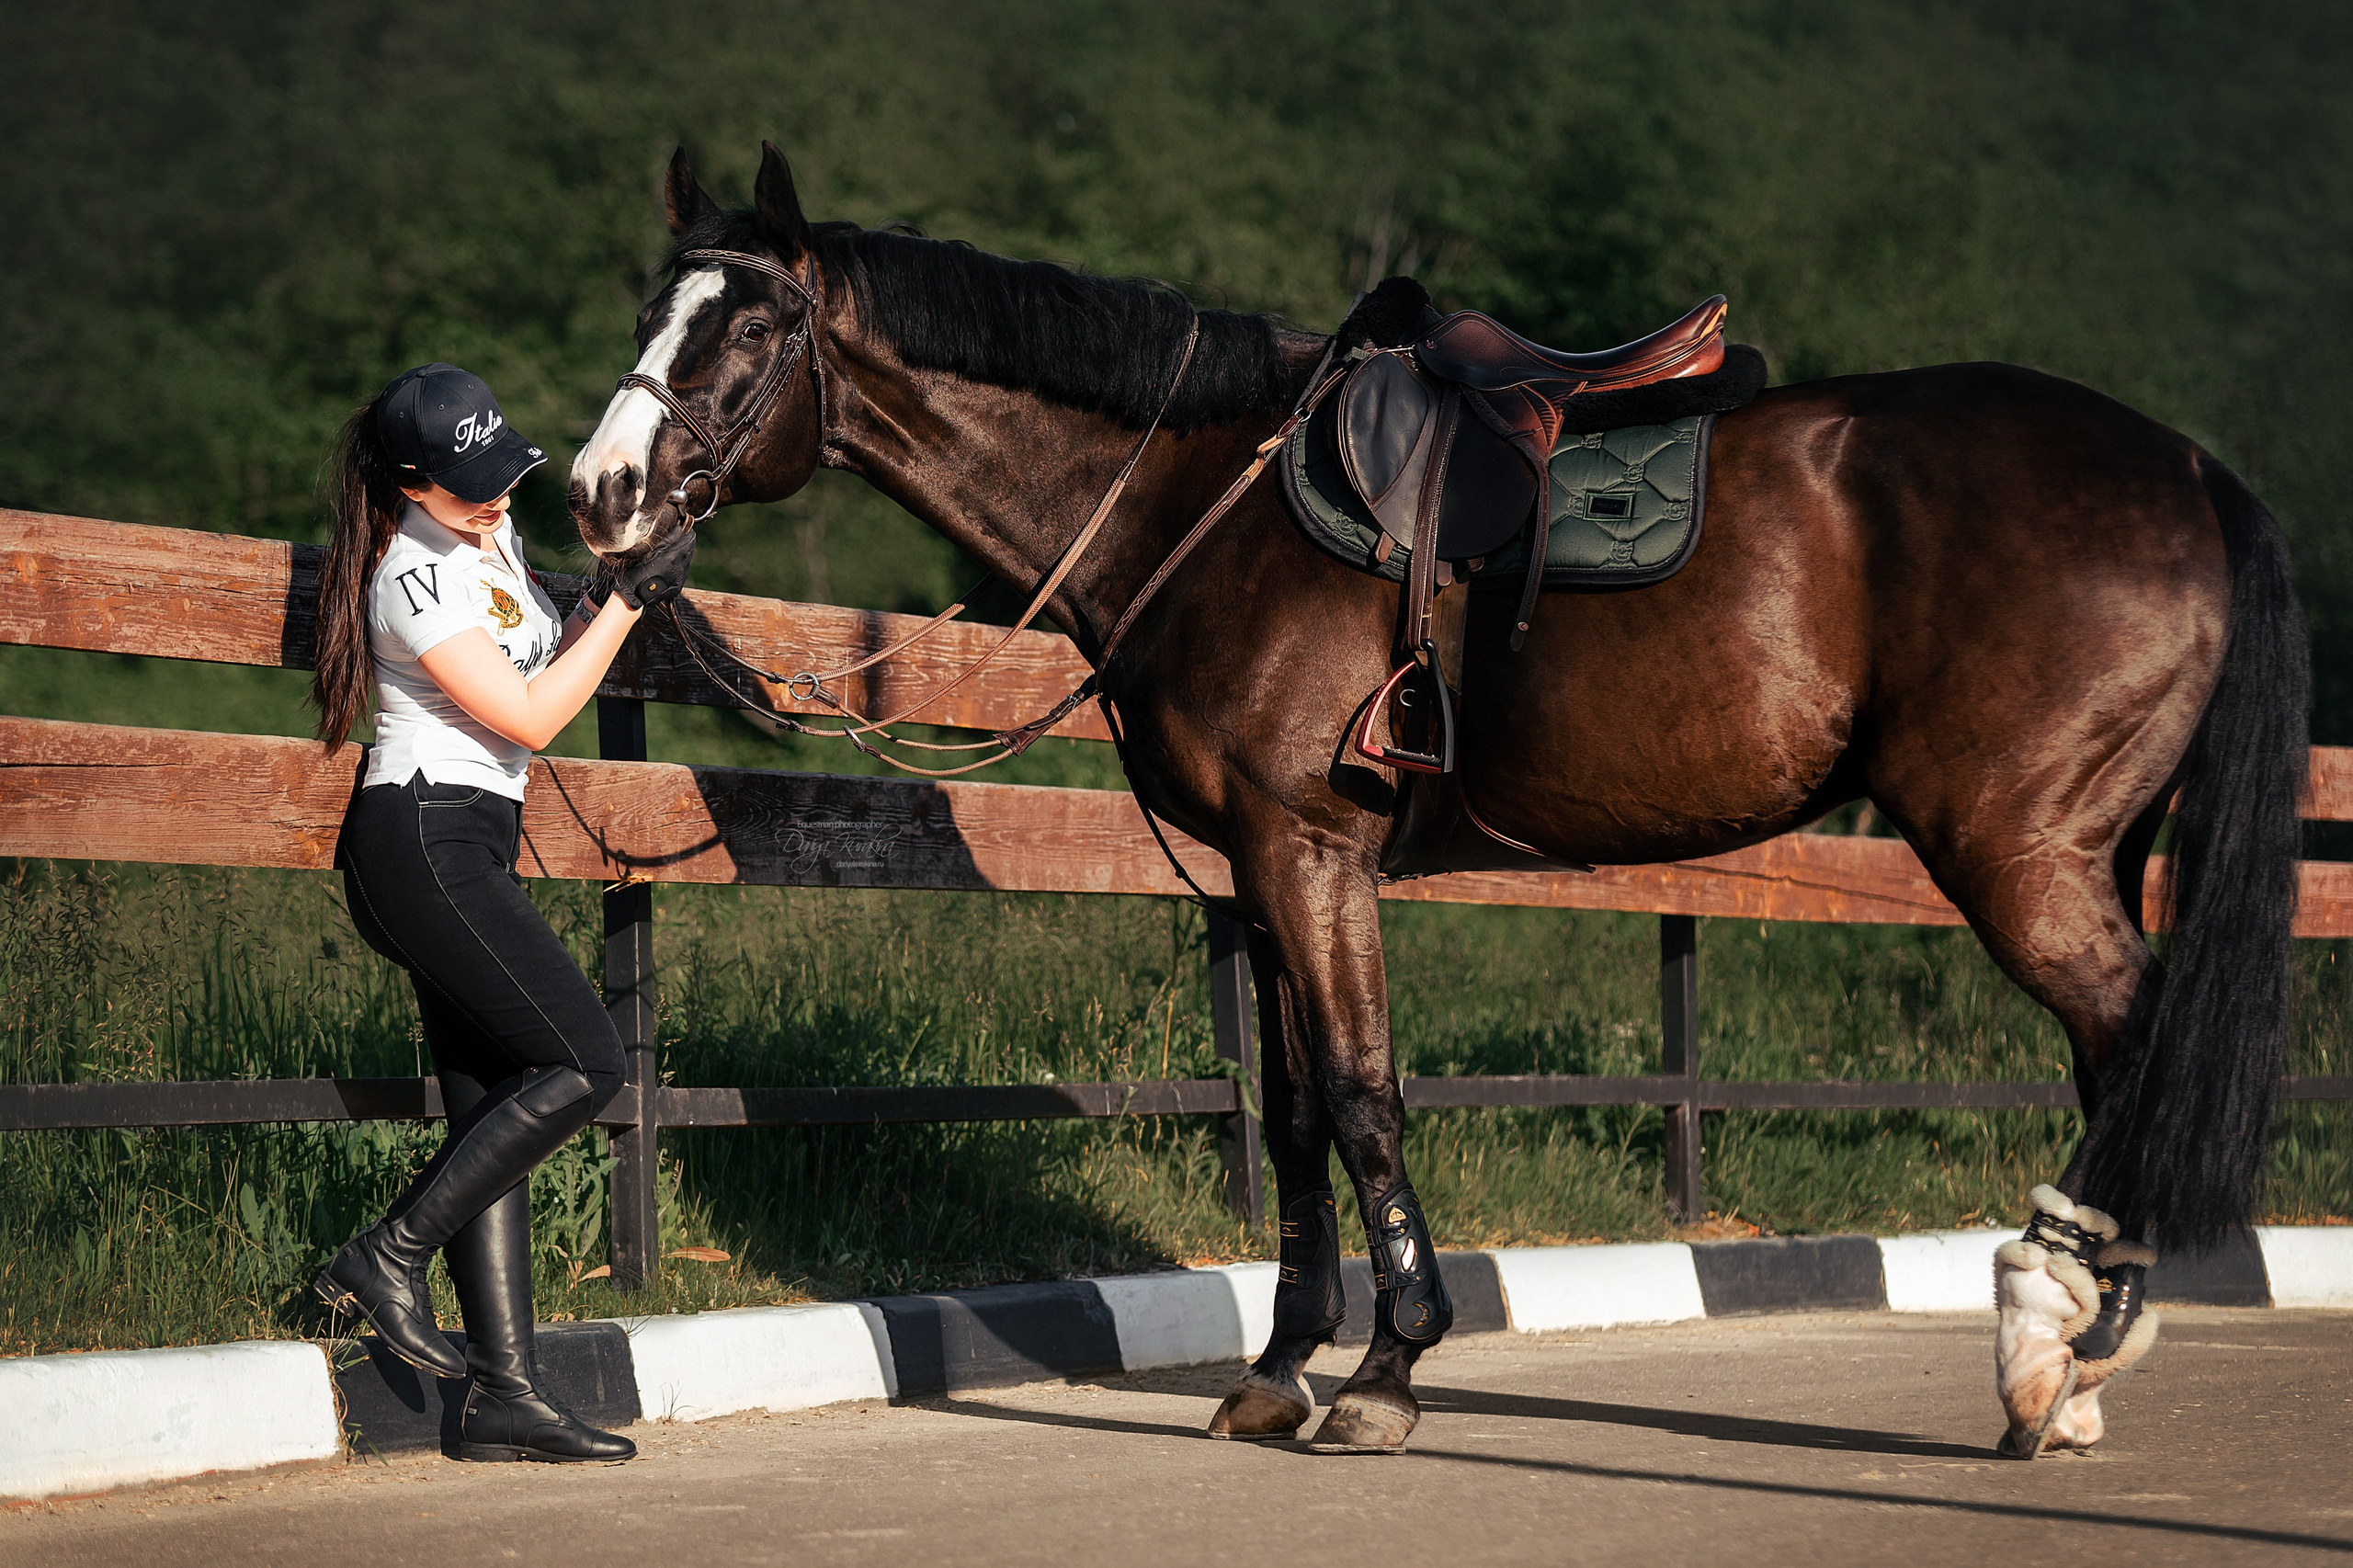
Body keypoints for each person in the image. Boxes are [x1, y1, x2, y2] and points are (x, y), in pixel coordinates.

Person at [308, 364, 694, 1463]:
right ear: (411, 482)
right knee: (585, 1061)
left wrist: (617, 578)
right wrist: (625, 607)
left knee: (494, 1107)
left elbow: (539, 646)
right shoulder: (408, 579)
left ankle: (502, 1394)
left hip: (472, 843)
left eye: (502, 473)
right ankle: (387, 1252)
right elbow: (526, 714)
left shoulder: (494, 537)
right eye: (470, 485)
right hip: (419, 840)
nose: (496, 496)